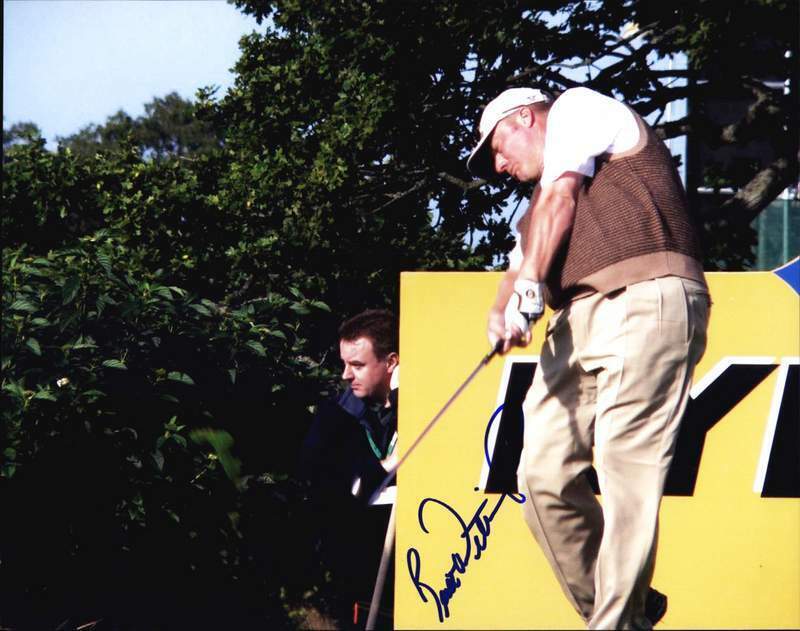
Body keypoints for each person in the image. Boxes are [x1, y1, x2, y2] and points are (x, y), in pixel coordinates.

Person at [466, 86, 710, 629]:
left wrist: (530, 286)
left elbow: (562, 198)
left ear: (524, 116)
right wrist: (503, 309)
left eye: (498, 149)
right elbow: (518, 267)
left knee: (627, 477)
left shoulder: (576, 109)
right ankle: (626, 613)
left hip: (646, 297)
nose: (500, 166)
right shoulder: (534, 210)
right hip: (576, 321)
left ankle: (614, 622)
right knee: (539, 475)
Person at [300, 308, 399, 628]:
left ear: (391, 363)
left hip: (416, 568)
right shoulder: (337, 416)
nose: (345, 375)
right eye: (345, 364)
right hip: (359, 579)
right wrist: (386, 466)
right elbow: (324, 488)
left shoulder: (418, 407)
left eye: (357, 365)